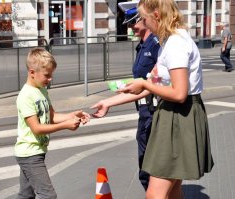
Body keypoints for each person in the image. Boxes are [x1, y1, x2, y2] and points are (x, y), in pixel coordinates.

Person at [118, 0, 214, 198]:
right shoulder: (173, 40)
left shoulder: (176, 44)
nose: (143, 24)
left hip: (177, 116)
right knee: (173, 190)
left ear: (156, 16)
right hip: (178, 115)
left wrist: (145, 84)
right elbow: (158, 84)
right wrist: (109, 102)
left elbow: (179, 93)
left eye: (144, 19)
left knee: (155, 194)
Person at [91, 1, 160, 191]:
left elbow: (155, 83)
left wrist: (112, 101)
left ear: (144, 20)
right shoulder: (141, 46)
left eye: (133, 23)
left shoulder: (156, 45)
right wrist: (128, 86)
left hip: (154, 111)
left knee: (151, 169)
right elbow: (143, 78)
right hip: (144, 109)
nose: (130, 28)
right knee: (145, 165)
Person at [15, 48, 90, 199]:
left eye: (51, 75)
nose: (50, 79)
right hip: (30, 153)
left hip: (36, 151)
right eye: (47, 75)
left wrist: (72, 115)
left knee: (25, 195)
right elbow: (36, 128)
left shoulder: (41, 90)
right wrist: (66, 125)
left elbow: (52, 116)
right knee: (48, 195)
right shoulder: (25, 96)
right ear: (32, 73)